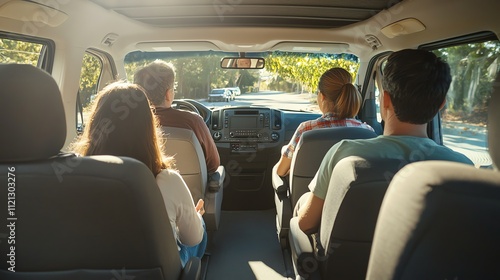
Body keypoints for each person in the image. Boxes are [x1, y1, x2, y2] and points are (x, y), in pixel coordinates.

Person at [296, 49, 474, 234]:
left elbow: (306, 224)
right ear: (441, 104)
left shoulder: (343, 153)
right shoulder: (464, 169)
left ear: (386, 99)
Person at [71, 82, 207, 267]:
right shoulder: (166, 180)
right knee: (199, 230)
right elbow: (192, 239)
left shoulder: (75, 177)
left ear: (96, 123)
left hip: (96, 268)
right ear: (149, 126)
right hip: (154, 272)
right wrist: (196, 217)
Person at [275, 67, 374, 177]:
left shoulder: (306, 129)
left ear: (322, 96)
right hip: (354, 194)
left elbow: (281, 171)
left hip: (307, 193)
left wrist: (285, 152)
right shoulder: (368, 132)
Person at [134, 60, 221, 173]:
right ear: (168, 94)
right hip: (191, 190)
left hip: (143, 190)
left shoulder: (128, 123)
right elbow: (213, 165)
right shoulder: (193, 121)